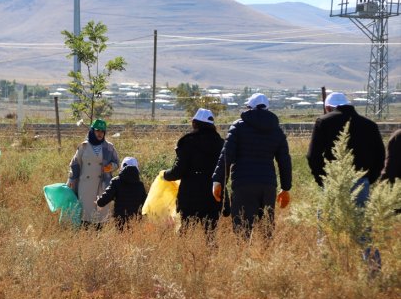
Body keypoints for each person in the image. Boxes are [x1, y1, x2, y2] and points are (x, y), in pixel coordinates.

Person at [306, 92, 385, 273]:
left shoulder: (323, 122)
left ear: (328, 107)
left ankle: (327, 269)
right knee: (364, 231)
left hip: (333, 182)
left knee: (326, 227)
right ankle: (374, 271)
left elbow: (312, 156)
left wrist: (323, 179)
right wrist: (367, 179)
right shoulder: (370, 125)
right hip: (360, 183)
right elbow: (380, 157)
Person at [212, 93, 292, 239]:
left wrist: (218, 181)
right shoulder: (277, 130)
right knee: (266, 231)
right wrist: (285, 188)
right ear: (267, 109)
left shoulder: (238, 127)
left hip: (243, 184)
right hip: (267, 186)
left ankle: (244, 259)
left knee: (242, 230)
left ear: (249, 107)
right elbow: (284, 160)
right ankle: (264, 259)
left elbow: (226, 156)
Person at [163, 108, 224, 236]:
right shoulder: (221, 143)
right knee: (210, 235)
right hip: (213, 195)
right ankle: (212, 256)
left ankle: (184, 255)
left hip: (190, 195)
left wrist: (165, 175)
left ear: (195, 123)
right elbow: (224, 172)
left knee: (185, 232)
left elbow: (178, 170)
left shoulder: (188, 141)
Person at [67, 119, 119, 228]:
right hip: (85, 185)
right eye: (97, 131)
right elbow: (75, 164)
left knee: (100, 214)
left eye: (102, 131)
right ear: (92, 131)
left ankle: (98, 236)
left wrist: (111, 167)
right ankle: (84, 235)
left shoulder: (109, 147)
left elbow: (116, 163)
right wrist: (71, 179)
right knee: (85, 213)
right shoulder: (84, 146)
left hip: (102, 184)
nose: (100, 133)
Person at [96, 157, 147, 230]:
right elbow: (145, 202)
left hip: (120, 219)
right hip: (136, 220)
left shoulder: (116, 182)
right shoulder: (140, 184)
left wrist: (99, 202)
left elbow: (107, 196)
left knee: (121, 237)